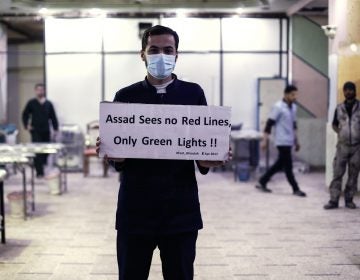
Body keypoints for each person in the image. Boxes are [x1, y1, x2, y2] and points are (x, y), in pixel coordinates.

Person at [96, 25, 228, 280]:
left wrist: (214, 156)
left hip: (180, 210)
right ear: (142, 54)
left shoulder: (193, 93)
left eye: (168, 50)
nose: (161, 56)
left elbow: (202, 149)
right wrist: (113, 154)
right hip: (135, 210)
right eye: (154, 50)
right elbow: (119, 160)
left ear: (177, 55)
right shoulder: (125, 96)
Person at [255, 85, 306, 197]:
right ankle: (295, 188)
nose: (295, 97)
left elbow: (294, 125)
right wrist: (264, 140)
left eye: (296, 94)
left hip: (289, 141)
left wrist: (296, 141)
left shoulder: (293, 108)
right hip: (281, 141)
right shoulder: (278, 107)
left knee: (279, 164)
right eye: (293, 94)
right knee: (288, 167)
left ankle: (262, 181)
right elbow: (269, 124)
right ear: (286, 94)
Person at [324, 81, 360, 209]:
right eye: (346, 90)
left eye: (351, 89)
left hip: (357, 147)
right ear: (343, 92)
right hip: (342, 146)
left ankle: (349, 200)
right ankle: (333, 200)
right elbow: (334, 124)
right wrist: (341, 133)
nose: (349, 92)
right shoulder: (339, 108)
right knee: (337, 173)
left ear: (355, 91)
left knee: (353, 174)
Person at [22, 83, 59, 178]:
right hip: (35, 131)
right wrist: (27, 125)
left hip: (46, 130)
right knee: (37, 151)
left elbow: (53, 117)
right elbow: (25, 114)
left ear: (44, 91)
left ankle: (42, 166)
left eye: (42, 90)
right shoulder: (31, 103)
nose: (40, 91)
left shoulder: (48, 103)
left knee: (46, 151)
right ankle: (39, 172)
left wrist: (55, 129)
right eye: (38, 90)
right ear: (35, 91)